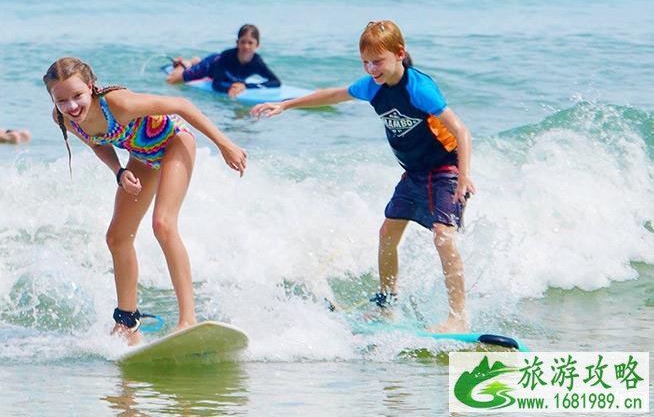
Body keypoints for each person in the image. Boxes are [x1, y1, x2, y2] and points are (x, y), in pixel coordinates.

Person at [251, 20, 476, 334]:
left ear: (400, 54)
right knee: (387, 235)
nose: (372, 68)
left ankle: (458, 315)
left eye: (378, 61)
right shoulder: (374, 86)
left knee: (442, 236)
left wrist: (464, 176)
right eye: (366, 62)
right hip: (413, 173)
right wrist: (287, 105)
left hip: (444, 170)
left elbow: (461, 131)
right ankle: (387, 305)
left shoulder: (419, 88)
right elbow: (334, 95)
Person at [43, 56, 247, 345]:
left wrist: (225, 144)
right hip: (142, 156)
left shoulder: (119, 104)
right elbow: (97, 143)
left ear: (91, 87)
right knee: (117, 237)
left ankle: (188, 319)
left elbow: (182, 105)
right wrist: (119, 171)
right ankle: (127, 323)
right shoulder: (64, 118)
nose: (72, 106)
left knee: (163, 224)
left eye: (77, 96)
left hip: (174, 141)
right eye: (62, 100)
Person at [166, 24, 281, 99]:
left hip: (229, 77)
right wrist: (230, 88)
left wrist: (246, 86)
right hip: (210, 66)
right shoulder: (227, 56)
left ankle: (194, 62)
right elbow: (216, 84)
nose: (246, 46)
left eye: (250, 43)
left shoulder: (257, 62)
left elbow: (275, 81)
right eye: (243, 42)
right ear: (237, 43)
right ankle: (184, 64)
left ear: (257, 45)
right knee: (172, 81)